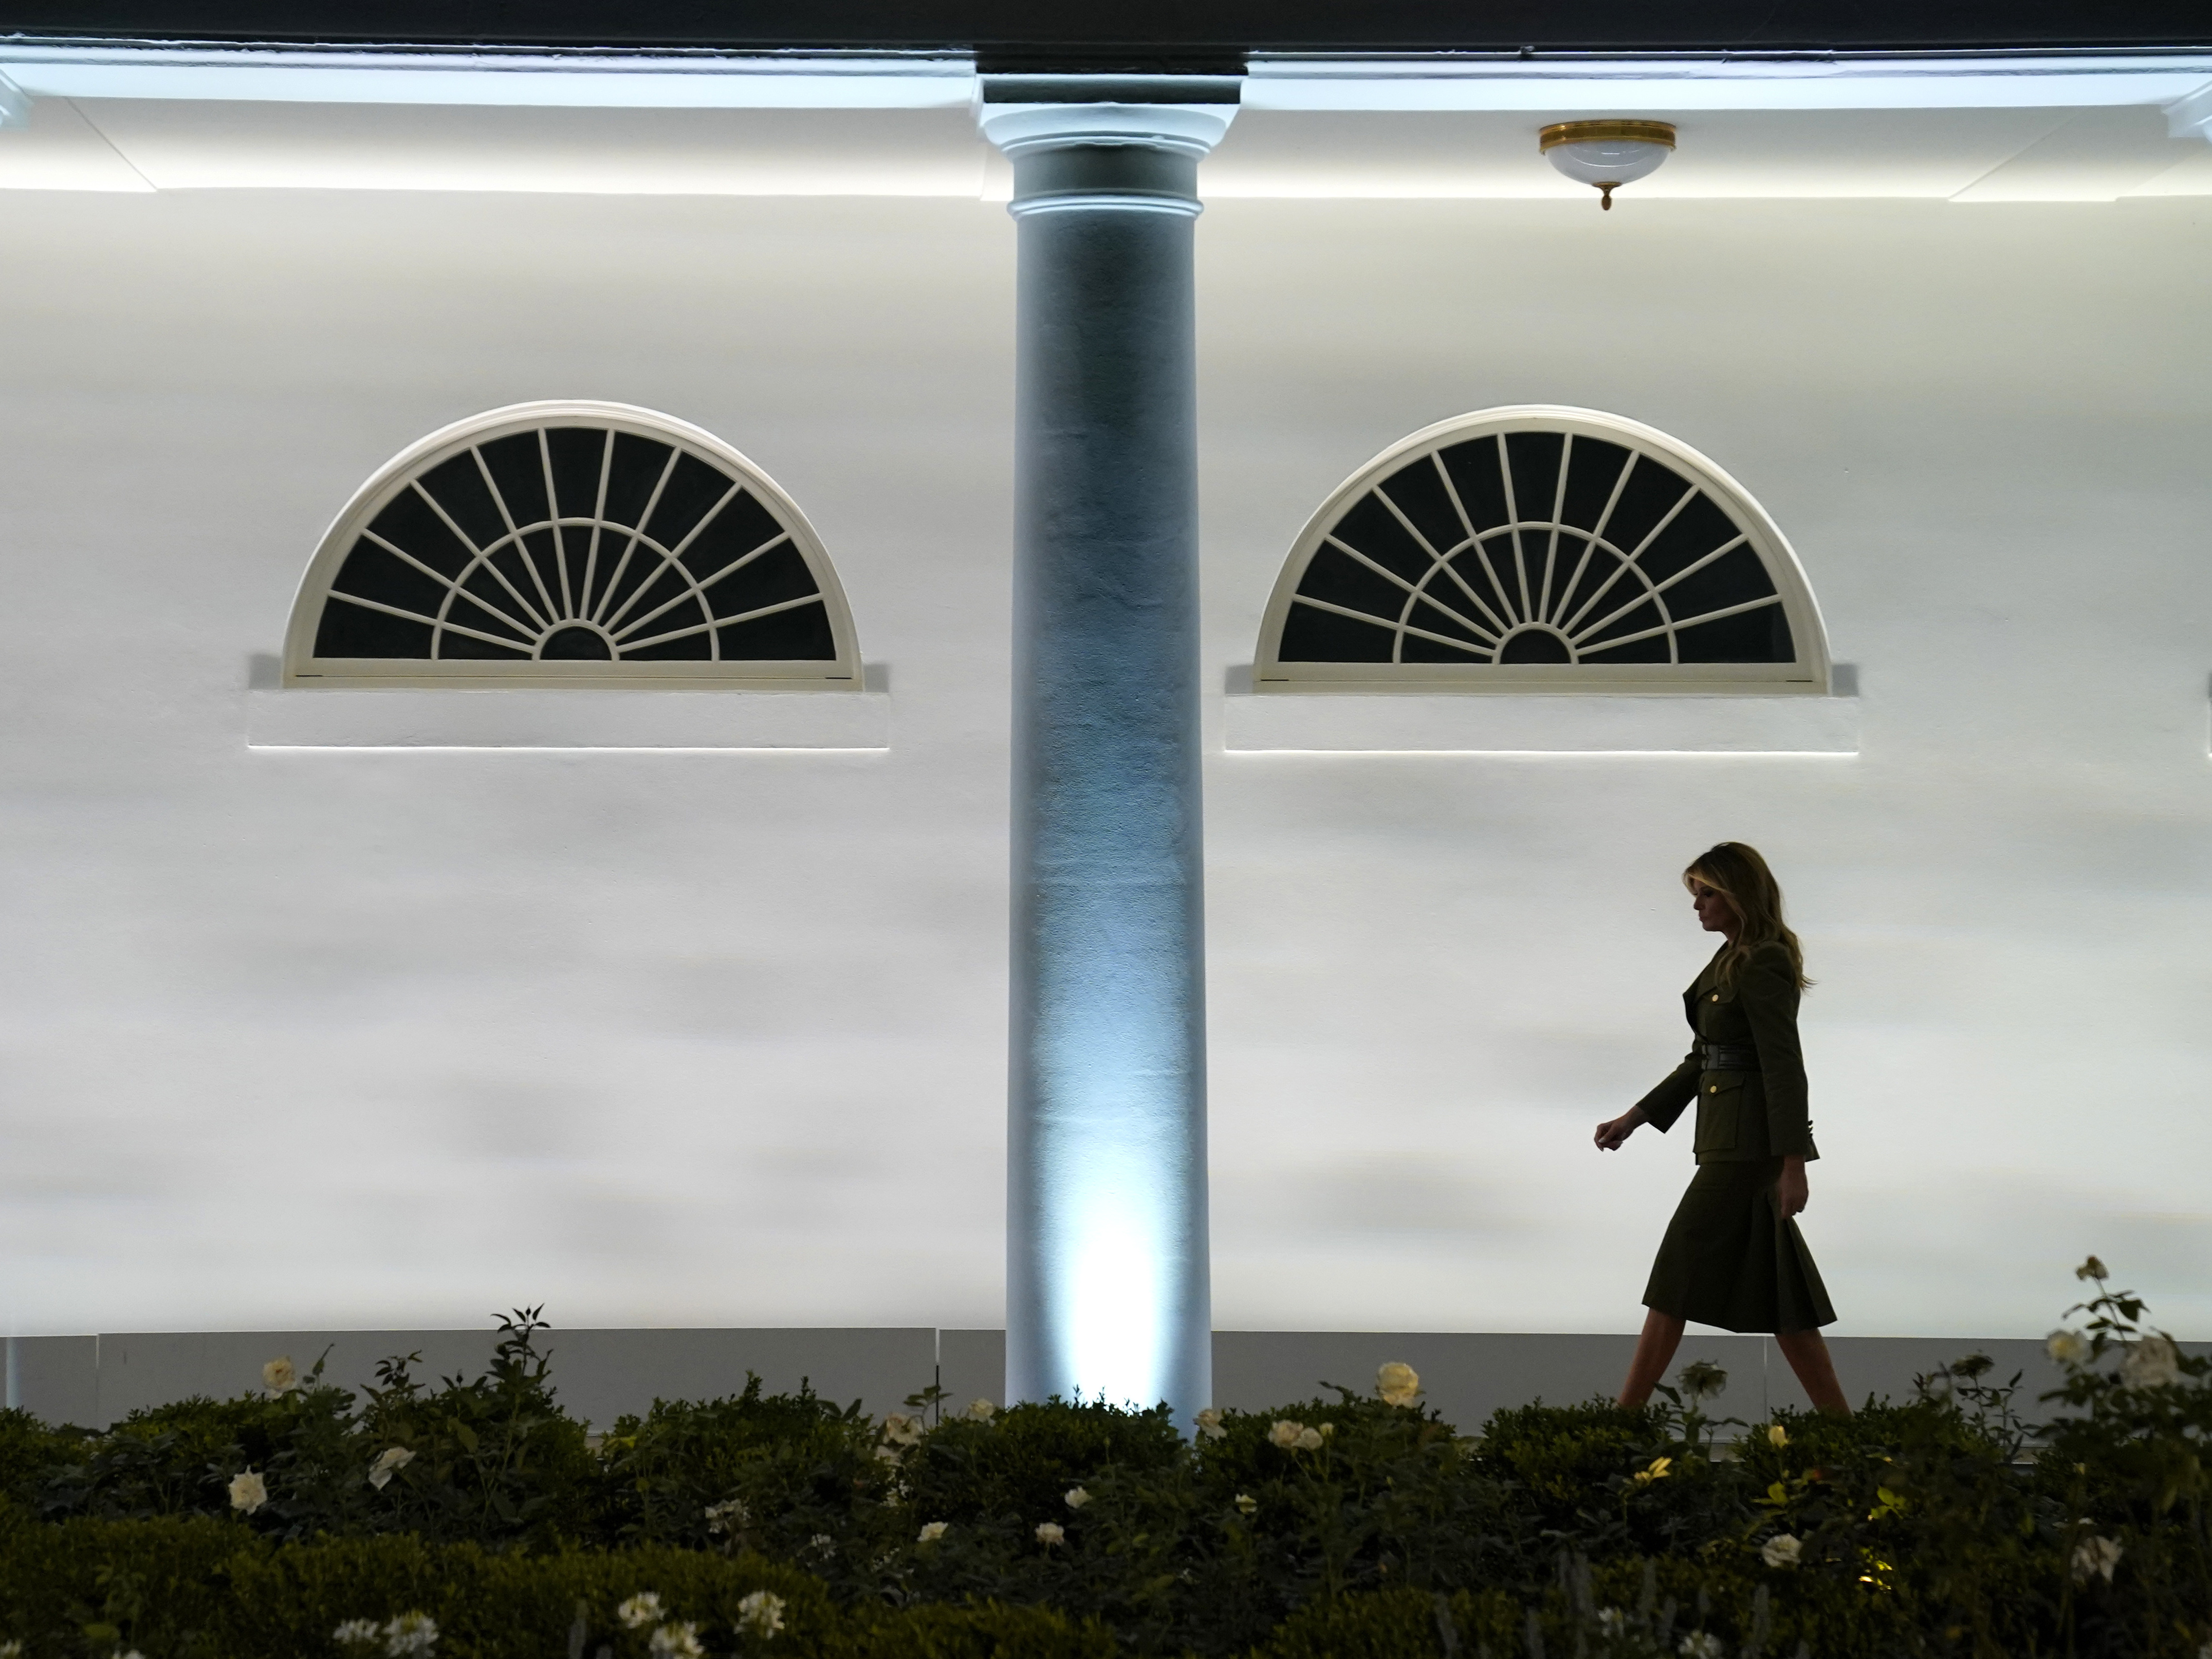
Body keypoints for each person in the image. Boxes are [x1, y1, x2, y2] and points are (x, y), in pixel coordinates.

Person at [1592, 842, 1849, 1414]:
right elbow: (1701, 1059)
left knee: (1674, 1275)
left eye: (1706, 893)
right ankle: (1844, 1433)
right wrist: (1633, 1119)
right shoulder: (1728, 958)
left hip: (1748, 1148)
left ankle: (1620, 1423)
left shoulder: (1763, 960)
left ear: (1737, 894)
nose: (1697, 906)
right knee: (1786, 1300)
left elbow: (1783, 1066)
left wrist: (1793, 1164)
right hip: (1725, 1142)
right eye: (1696, 894)